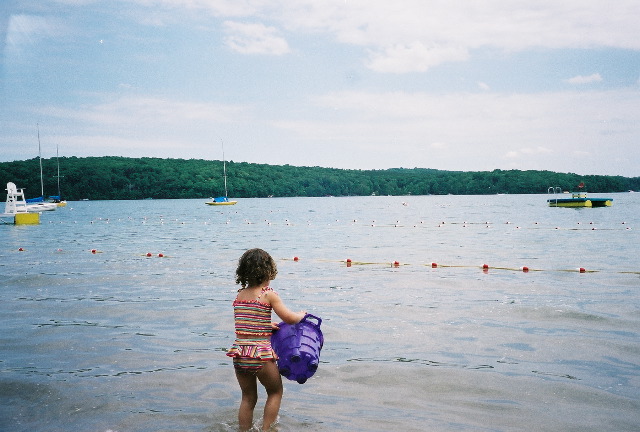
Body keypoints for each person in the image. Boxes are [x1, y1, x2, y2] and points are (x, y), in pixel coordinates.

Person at [226, 248, 306, 431]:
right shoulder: (268, 294)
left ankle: (244, 430)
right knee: (275, 391)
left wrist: (265, 325)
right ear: (268, 270)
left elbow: (245, 323)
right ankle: (266, 430)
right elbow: (289, 318)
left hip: (240, 353)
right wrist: (300, 315)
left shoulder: (240, 294)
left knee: (248, 398)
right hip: (259, 355)